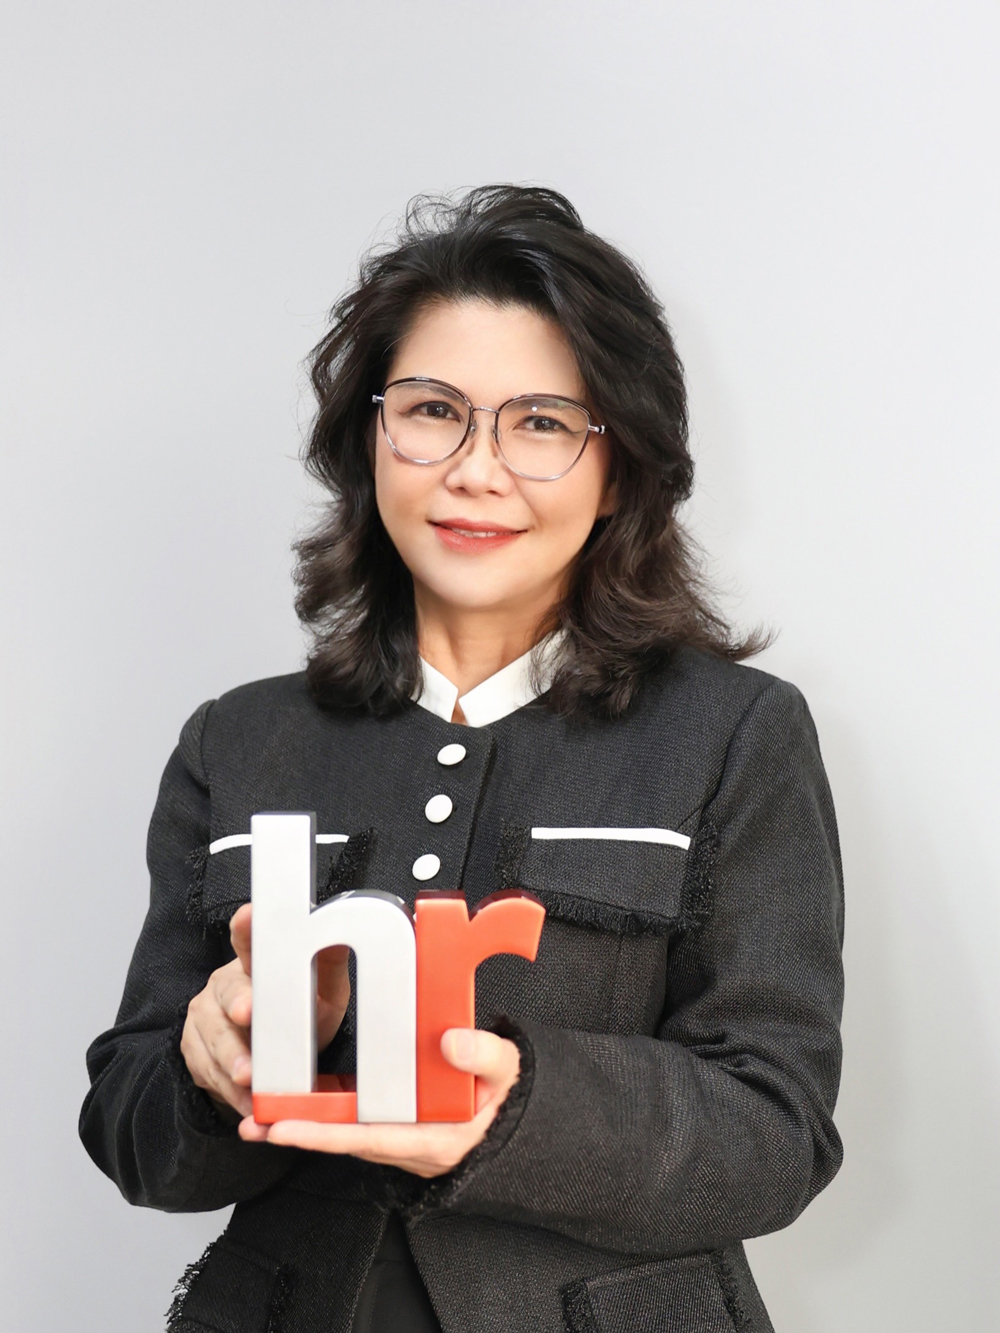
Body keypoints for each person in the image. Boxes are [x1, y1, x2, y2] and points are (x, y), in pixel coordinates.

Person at [79, 185, 844, 1333]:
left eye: (540, 423)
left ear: (619, 469)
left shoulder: (735, 734)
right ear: (370, 440)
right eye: (433, 410)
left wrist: (516, 1106)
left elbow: (774, 1133)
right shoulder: (234, 741)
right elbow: (136, 1142)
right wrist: (204, 1065)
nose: (475, 470)